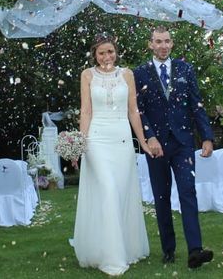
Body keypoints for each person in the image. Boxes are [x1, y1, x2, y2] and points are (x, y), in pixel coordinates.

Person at [134, 26, 215, 269]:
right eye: (158, 41)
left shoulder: (185, 69)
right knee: (162, 198)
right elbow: (138, 110)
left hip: (183, 143)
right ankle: (168, 249)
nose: (163, 46)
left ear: (172, 44)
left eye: (167, 41)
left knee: (188, 193)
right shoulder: (140, 73)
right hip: (156, 146)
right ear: (150, 44)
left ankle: (195, 250)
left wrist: (207, 137)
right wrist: (149, 137)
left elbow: (197, 105)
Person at [72, 35, 151, 275]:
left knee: (119, 192)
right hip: (96, 137)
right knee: (106, 188)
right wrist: (79, 144)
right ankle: (112, 257)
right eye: (102, 53)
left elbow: (133, 111)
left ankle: (121, 247)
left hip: (122, 139)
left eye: (110, 52)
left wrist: (143, 142)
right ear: (94, 55)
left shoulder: (126, 74)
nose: (107, 57)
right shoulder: (87, 75)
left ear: (116, 53)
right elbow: (86, 111)